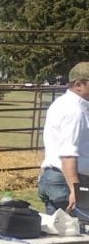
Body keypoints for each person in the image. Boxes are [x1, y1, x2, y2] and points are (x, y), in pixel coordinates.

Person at [38, 61, 89, 214]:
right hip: (67, 180)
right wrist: (75, 190)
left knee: (62, 230)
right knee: (77, 230)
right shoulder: (74, 111)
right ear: (79, 84)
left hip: (57, 178)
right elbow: (68, 154)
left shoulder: (64, 104)